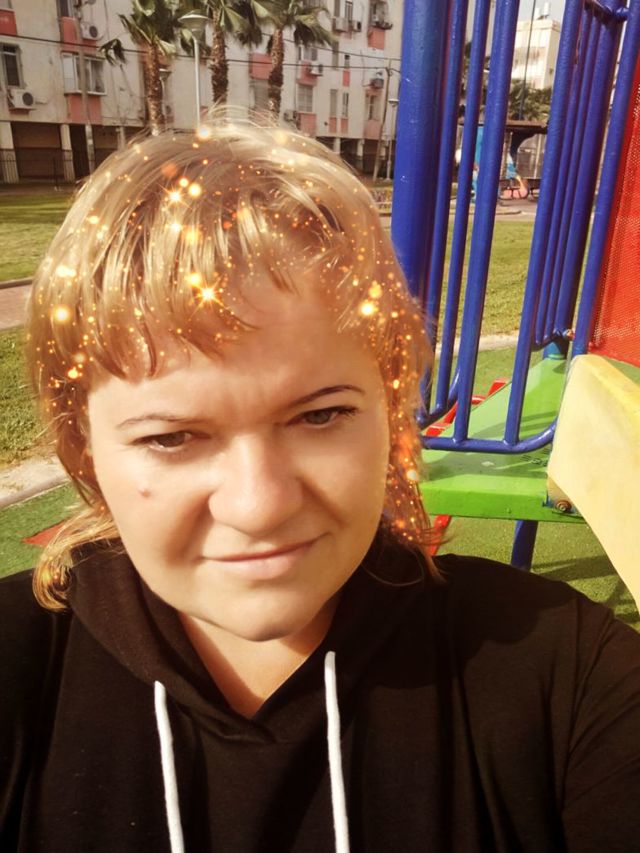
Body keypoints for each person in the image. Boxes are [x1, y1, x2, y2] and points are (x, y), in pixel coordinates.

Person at [1, 112, 640, 853]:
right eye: (171, 437)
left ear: (392, 411)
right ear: (84, 450)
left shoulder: (561, 671)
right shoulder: (21, 668)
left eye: (320, 415)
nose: (259, 504)